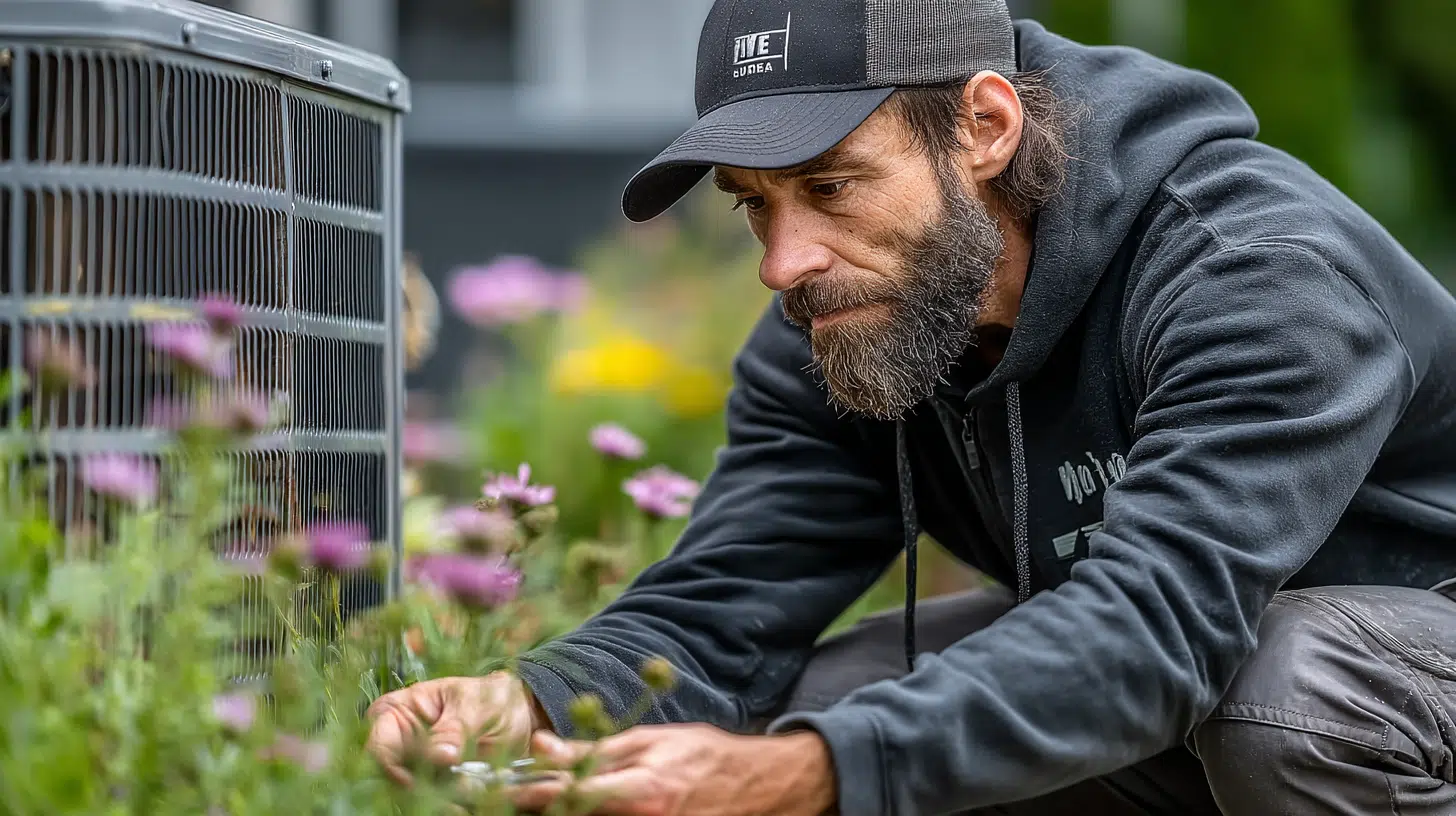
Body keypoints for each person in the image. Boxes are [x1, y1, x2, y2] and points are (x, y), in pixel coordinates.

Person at [367, 1, 1456, 813]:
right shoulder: (850, 319)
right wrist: (540, 702)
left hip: (1384, 682)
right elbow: (729, 603)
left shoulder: (1251, 274)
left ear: (984, 126)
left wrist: (814, 774)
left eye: (831, 185)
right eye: (756, 207)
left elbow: (1154, 624)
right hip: (1191, 698)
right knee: (829, 696)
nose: (784, 264)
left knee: (1289, 689)